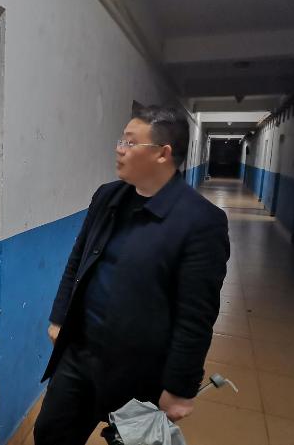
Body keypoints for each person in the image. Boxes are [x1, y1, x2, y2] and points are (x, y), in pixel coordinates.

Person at [34, 104, 230, 445]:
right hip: (80, 354)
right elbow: (78, 259)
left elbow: (196, 316)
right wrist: (59, 316)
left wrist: (180, 386)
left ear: (162, 154)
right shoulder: (107, 196)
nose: (119, 149)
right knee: (50, 433)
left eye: (130, 142)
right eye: (120, 140)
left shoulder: (200, 222)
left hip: (142, 372)